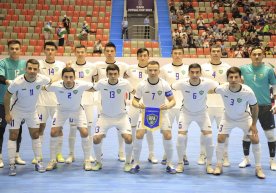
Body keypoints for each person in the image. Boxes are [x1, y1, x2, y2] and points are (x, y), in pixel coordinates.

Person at [213, 67, 265, 179]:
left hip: (244, 118)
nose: (233, 79)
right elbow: (208, 89)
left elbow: (255, 107)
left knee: (255, 139)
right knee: (220, 138)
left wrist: (254, 124)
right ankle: (219, 165)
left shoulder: (248, 91)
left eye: (236, 77)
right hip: (228, 118)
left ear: (240, 78)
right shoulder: (222, 88)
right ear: (227, 79)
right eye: (231, 77)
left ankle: (258, 168)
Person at [4, 59, 50, 176]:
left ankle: (38, 162)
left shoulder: (42, 79)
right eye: (30, 68)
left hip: (32, 111)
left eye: (35, 69)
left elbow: (51, 81)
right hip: (17, 111)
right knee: (13, 135)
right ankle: (11, 164)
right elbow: (7, 97)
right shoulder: (17, 82)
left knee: (35, 135)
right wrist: (7, 114)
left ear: (38, 70)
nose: (32, 71)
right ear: (25, 69)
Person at [130, 61, 176, 174]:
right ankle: (135, 163)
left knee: (168, 135)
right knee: (139, 134)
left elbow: (173, 101)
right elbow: (134, 100)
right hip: (146, 113)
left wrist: (167, 105)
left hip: (161, 113)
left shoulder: (164, 84)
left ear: (159, 71)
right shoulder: (141, 84)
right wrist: (138, 104)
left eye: (155, 70)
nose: (153, 72)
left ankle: (169, 164)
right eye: (150, 70)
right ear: (147, 71)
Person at [45, 67, 93, 171]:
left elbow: (94, 87)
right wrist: (51, 80)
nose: (68, 79)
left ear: (74, 77)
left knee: (84, 132)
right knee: (53, 132)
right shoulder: (56, 85)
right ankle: (53, 160)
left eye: (71, 77)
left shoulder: (81, 84)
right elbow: (44, 88)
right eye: (66, 77)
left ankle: (87, 160)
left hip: (77, 111)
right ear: (62, 77)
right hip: (61, 111)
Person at [173, 63, 218, 173]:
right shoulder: (182, 83)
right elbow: (170, 87)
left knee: (208, 137)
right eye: (192, 72)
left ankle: (209, 164)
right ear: (188, 73)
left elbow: (219, 87)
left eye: (197, 72)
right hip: (186, 113)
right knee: (180, 136)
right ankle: (180, 163)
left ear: (200, 73)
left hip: (202, 114)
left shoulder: (207, 82)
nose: (194, 74)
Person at [91, 64, 134, 172]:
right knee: (96, 139)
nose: (113, 76)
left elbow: (134, 91)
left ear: (119, 74)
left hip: (121, 116)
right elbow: (91, 88)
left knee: (128, 138)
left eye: (115, 74)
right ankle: (98, 162)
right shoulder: (101, 83)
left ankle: (128, 163)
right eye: (110, 74)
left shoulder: (125, 83)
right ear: (106, 74)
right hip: (105, 117)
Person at [239, 47, 276, 170]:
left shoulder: (269, 70)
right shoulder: (243, 69)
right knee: (246, 134)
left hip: (265, 106)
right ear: (250, 55)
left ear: (263, 56)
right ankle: (246, 159)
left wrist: (275, 103)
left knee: (270, 135)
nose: (256, 56)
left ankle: (272, 161)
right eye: (254, 54)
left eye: (259, 54)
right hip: (248, 107)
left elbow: (275, 86)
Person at [93, 42, 129, 162]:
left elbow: (130, 77)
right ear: (104, 52)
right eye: (107, 51)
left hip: (119, 102)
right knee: (100, 129)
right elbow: (92, 79)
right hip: (102, 102)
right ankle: (100, 153)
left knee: (121, 129)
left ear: (115, 52)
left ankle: (121, 152)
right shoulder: (98, 65)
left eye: (112, 51)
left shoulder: (122, 65)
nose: (109, 53)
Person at [33, 41, 66, 164]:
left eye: (52, 49)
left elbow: (63, 79)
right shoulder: (39, 64)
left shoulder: (61, 65)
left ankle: (59, 154)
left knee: (58, 128)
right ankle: (38, 155)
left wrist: (49, 81)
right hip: (41, 102)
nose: (50, 51)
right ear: (44, 50)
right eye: (48, 49)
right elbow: (37, 80)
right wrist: (51, 81)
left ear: (56, 51)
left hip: (56, 102)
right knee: (40, 127)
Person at [200, 45, 231, 167]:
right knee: (204, 132)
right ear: (210, 53)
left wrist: (215, 87)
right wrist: (218, 87)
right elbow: (201, 84)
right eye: (213, 51)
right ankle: (202, 155)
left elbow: (230, 84)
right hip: (206, 105)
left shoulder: (227, 67)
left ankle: (225, 156)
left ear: (221, 53)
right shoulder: (203, 67)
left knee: (224, 132)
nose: (216, 53)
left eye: (218, 51)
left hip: (222, 105)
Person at [125, 48, 157, 164]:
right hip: (134, 102)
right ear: (137, 57)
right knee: (133, 128)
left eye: (145, 55)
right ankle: (134, 154)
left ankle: (151, 154)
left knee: (149, 130)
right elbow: (122, 80)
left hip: (149, 103)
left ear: (148, 56)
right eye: (140, 55)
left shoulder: (152, 70)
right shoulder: (130, 69)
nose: (143, 57)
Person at [65, 45, 97, 164]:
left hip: (88, 101)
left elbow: (94, 82)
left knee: (88, 128)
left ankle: (88, 155)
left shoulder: (92, 67)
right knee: (73, 128)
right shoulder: (70, 66)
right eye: (78, 52)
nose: (80, 54)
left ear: (86, 53)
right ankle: (71, 154)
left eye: (82, 52)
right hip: (74, 102)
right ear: (75, 53)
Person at [160, 46, 189, 165]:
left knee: (183, 131)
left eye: (179, 53)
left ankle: (183, 154)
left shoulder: (188, 69)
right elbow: (160, 86)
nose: (177, 55)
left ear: (183, 55)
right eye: (175, 53)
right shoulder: (164, 69)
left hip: (184, 105)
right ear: (171, 55)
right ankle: (166, 154)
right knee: (166, 131)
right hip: (168, 105)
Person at [0, 40, 26, 168]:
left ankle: (16, 155)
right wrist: (7, 81)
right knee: (1, 129)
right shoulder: (3, 63)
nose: (14, 50)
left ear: (21, 49)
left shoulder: (24, 64)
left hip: (18, 103)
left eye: (16, 48)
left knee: (18, 130)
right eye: (12, 48)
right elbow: (0, 77)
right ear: (8, 49)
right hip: (3, 102)